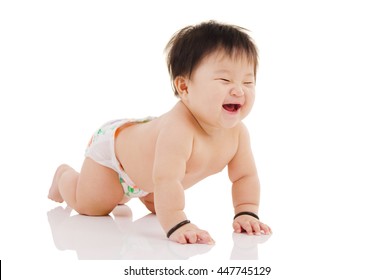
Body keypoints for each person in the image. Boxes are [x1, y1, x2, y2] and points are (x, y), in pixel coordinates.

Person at [48, 20, 272, 244]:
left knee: (159, 198)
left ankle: (133, 192)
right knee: (92, 206)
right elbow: (166, 179)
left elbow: (245, 177)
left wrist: (246, 212)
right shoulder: (178, 130)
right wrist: (178, 222)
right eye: (224, 80)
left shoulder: (238, 134)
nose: (239, 90)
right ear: (184, 87)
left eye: (248, 81)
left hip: (150, 173)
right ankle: (65, 177)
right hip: (115, 158)